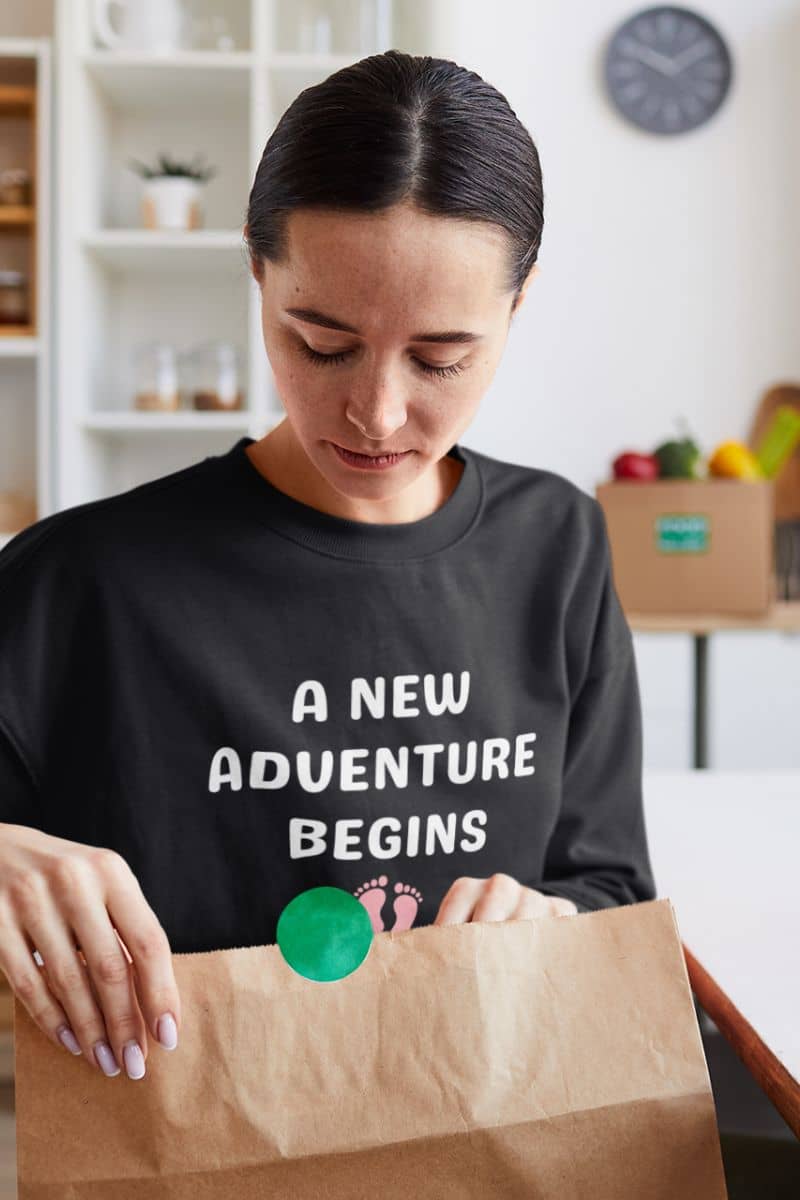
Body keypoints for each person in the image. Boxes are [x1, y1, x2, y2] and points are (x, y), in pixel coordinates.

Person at [0, 49, 656, 1085]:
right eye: (320, 344)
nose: (379, 413)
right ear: (257, 273)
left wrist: (555, 920)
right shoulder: (82, 580)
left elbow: (609, 882)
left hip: (477, 1133)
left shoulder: (556, 545)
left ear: (517, 307)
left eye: (441, 357)